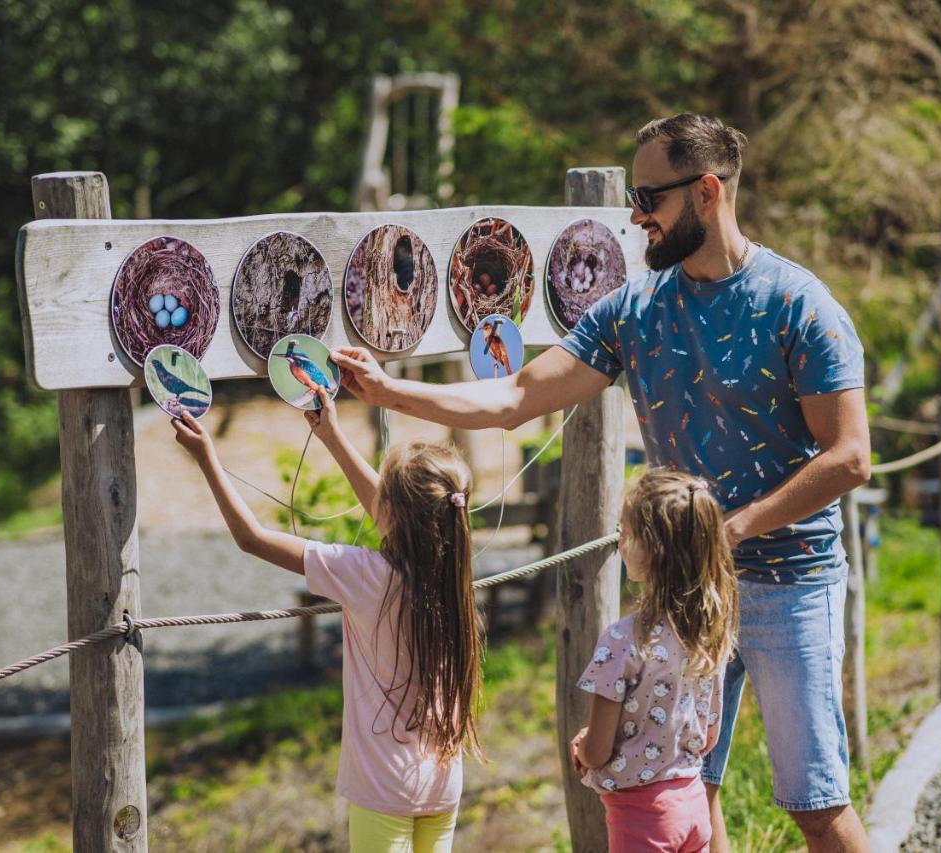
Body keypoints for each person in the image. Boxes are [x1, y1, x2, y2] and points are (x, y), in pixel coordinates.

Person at [332, 112, 871, 851]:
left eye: (650, 196)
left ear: (708, 191)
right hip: (687, 593)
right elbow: (516, 398)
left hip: (789, 581)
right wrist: (391, 393)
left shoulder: (801, 306)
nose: (635, 212)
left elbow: (849, 457)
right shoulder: (634, 309)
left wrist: (731, 529)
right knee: (688, 787)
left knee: (814, 801)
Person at [171, 390, 483, 853]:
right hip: (442, 781)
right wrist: (332, 436)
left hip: (385, 787)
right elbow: (398, 512)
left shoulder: (365, 576)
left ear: (392, 513)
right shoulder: (454, 575)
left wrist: (206, 457)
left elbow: (252, 539)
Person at [569, 469, 738, 852]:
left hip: (642, 815)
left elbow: (597, 751)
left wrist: (581, 749)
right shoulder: (710, 634)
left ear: (653, 549)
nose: (621, 542)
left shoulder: (622, 640)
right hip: (694, 804)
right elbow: (709, 733)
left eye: (626, 532)